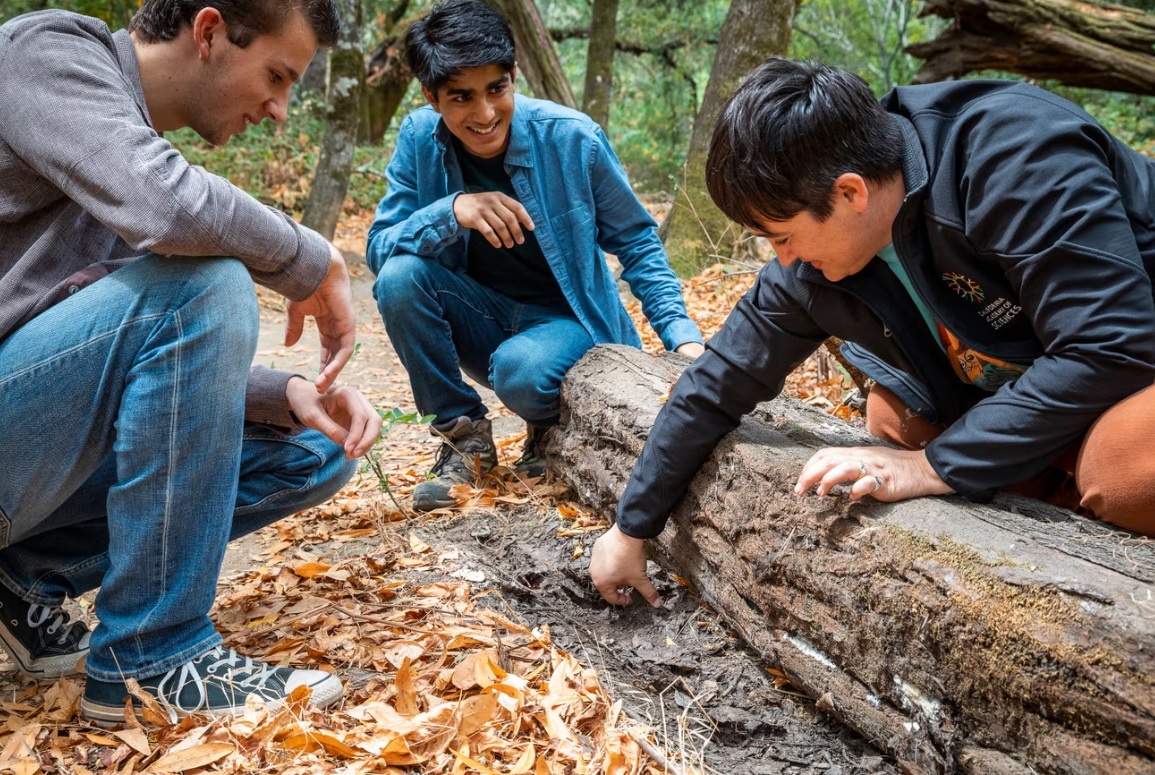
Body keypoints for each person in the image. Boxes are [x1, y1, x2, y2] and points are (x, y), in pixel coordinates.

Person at [589, 57, 1155, 607]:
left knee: (1126, 471)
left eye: (782, 237)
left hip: (1133, 361)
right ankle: (1061, 495)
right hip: (1039, 376)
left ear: (851, 192)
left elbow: (1111, 342)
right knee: (892, 418)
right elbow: (716, 382)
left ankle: (1089, 494)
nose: (782, 261)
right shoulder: (810, 265)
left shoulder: (1013, 155)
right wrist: (630, 529)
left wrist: (932, 468)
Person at [0, 0, 383, 724]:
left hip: (23, 446)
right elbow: (169, 211)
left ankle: (22, 577)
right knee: (206, 284)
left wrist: (288, 392)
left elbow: (138, 371)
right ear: (208, 31)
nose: (278, 110)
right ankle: (152, 656)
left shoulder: (116, 159)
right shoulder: (46, 52)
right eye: (276, 76)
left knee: (308, 451)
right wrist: (311, 259)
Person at [365, 0, 705, 512]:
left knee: (521, 369)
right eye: (461, 97)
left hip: (568, 325)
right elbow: (379, 248)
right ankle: (465, 441)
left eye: (496, 89)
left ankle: (549, 432)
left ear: (514, 76)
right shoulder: (418, 138)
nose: (483, 114)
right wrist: (450, 210)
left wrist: (683, 340)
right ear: (431, 97)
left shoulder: (571, 138)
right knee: (398, 278)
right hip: (482, 315)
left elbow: (636, 240)